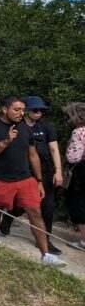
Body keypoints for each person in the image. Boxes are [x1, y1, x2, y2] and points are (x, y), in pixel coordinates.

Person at [0, 95, 65, 267]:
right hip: (0, 178)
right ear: (5, 109)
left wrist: (39, 180)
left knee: (35, 212)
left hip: (25, 178)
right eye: (16, 110)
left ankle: (45, 255)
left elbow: (32, 155)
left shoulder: (26, 128)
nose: (21, 113)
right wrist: (6, 141)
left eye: (23, 110)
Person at [63, 101, 85, 250]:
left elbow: (74, 157)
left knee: (79, 205)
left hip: (82, 173)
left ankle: (84, 241)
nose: (69, 119)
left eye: (71, 116)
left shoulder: (78, 132)